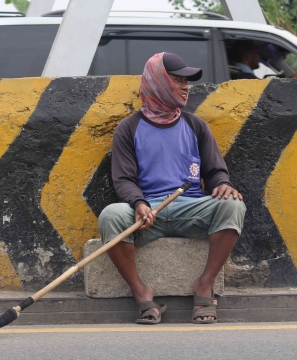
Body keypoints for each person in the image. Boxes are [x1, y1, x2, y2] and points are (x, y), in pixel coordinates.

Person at [98, 52, 246, 325]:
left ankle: (204, 285)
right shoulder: (129, 128)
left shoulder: (195, 125)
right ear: (158, 82)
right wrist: (139, 203)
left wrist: (223, 185)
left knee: (233, 205)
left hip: (191, 210)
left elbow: (214, 172)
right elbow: (123, 179)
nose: (185, 87)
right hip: (148, 213)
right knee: (110, 216)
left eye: (186, 81)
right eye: (177, 80)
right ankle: (141, 293)